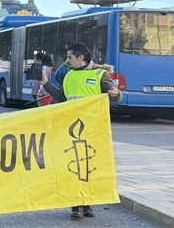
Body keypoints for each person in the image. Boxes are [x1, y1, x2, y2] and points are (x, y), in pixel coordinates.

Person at [41, 43, 122, 220]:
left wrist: (115, 94)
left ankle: (86, 202)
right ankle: (76, 205)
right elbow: (62, 97)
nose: (67, 61)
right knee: (73, 168)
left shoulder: (100, 74)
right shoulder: (69, 75)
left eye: (70, 57)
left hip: (93, 130)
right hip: (71, 129)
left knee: (89, 168)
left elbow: (116, 96)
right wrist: (46, 83)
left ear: (81, 58)